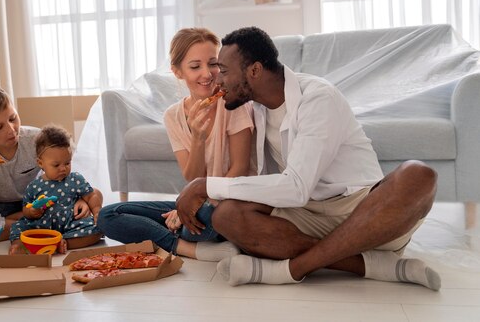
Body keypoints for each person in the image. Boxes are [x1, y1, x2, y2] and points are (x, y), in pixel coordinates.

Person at [176, 26, 441, 291]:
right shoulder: (255, 109)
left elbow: (296, 188)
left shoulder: (317, 97)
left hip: (363, 212)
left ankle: (291, 269)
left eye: (223, 70)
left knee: (418, 175)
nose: (217, 80)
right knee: (227, 216)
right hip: (306, 216)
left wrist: (204, 185)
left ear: (254, 71)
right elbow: (270, 187)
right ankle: (370, 266)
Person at [98, 27, 255, 261]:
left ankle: (183, 239)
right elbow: (192, 177)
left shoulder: (233, 103)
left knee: (201, 217)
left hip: (231, 203)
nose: (207, 74)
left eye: (213, 63)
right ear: (178, 72)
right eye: (195, 66)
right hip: (201, 201)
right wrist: (198, 139)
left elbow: (240, 169)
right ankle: (188, 248)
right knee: (108, 216)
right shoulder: (173, 116)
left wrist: (189, 207)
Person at [0, 85, 97, 241]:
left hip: (39, 201)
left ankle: (27, 228)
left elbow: (68, 175)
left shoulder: (37, 139)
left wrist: (81, 199)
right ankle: (40, 227)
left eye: (13, 118)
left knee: (93, 194)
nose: (11, 129)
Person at [8, 125, 102, 254]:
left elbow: (91, 196)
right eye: (56, 165)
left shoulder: (75, 179)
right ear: (41, 163)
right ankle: (19, 245)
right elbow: (26, 208)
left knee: (98, 228)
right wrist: (32, 211)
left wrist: (97, 211)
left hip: (70, 224)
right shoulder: (34, 186)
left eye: (67, 163)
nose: (63, 168)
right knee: (17, 226)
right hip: (41, 227)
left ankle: (63, 243)